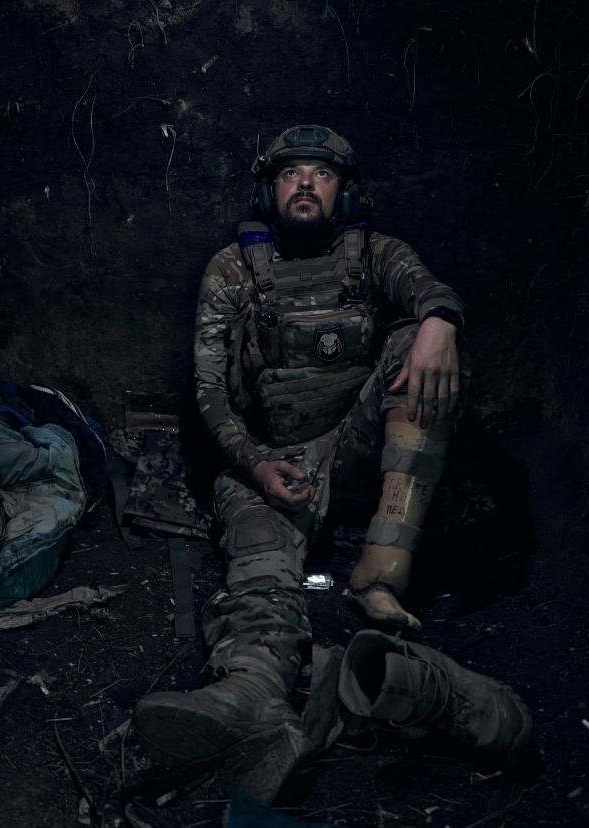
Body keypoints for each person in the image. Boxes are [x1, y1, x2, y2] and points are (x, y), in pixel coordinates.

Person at [134, 124, 471, 769]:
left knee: (420, 345)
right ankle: (251, 691)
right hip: (272, 462)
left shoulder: (374, 254)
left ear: (343, 192)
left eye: (321, 173)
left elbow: (427, 288)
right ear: (271, 190)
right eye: (292, 174)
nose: (307, 183)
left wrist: (439, 320)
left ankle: (382, 576)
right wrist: (256, 464)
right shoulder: (233, 271)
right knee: (258, 567)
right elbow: (209, 394)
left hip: (353, 450)